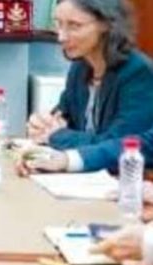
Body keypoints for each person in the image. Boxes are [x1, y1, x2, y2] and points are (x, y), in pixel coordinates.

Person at [21, 0, 153, 174]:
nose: (61, 37)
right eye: (58, 24)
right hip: (83, 178)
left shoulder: (138, 71)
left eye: (74, 26)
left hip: (123, 181)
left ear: (106, 24)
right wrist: (41, 125)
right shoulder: (80, 67)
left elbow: (123, 145)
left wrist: (57, 136)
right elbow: (61, 118)